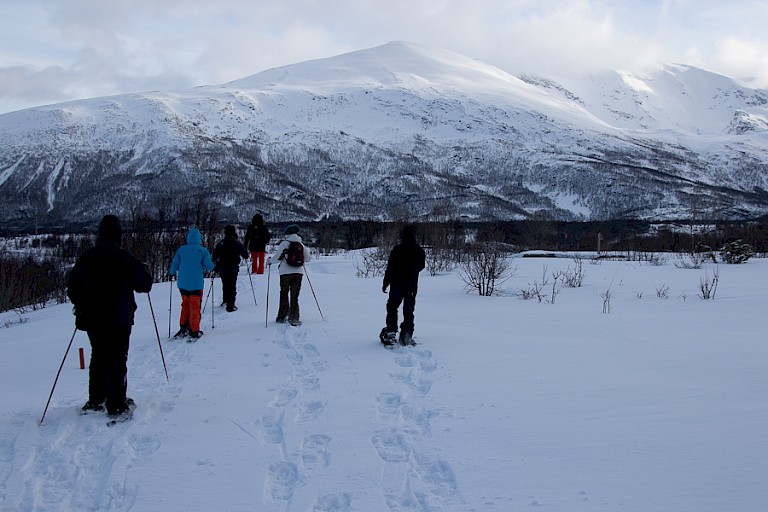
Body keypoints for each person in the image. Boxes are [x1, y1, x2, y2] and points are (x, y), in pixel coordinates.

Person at [67, 214, 153, 419]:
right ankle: (116, 404)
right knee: (117, 357)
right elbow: (145, 284)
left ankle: (96, 399)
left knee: (98, 355)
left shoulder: (86, 258)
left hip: (93, 318)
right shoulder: (124, 257)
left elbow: (72, 289)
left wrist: (82, 304)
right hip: (120, 317)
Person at [380, 225, 426, 346]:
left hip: (397, 284)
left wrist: (386, 282)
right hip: (411, 285)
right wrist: (412, 273)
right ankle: (407, 334)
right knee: (409, 309)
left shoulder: (397, 249)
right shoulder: (419, 250)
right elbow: (422, 266)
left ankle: (390, 332)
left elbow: (390, 267)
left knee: (392, 307)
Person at [169, 227, 215, 339]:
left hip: (183, 284)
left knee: (185, 304)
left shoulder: (181, 250)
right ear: (199, 238)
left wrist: (171, 273)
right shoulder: (202, 251)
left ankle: (183, 327)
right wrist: (214, 267)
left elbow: (175, 263)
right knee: (195, 306)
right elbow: (209, 266)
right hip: (196, 284)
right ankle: (194, 330)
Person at [267, 224, 312, 326]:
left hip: (285, 273)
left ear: (287, 233)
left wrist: (269, 261)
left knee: (284, 293)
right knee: (295, 295)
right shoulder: (301, 244)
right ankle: (294, 317)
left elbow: (277, 257)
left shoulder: (284, 244)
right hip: (298, 272)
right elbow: (308, 259)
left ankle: (281, 316)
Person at [213, 224, 248, 312]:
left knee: (225, 284)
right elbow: (245, 254)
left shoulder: (220, 243)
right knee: (232, 285)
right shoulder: (236, 243)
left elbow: (214, 256)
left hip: (223, 267)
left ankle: (225, 301)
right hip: (233, 267)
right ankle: (231, 305)